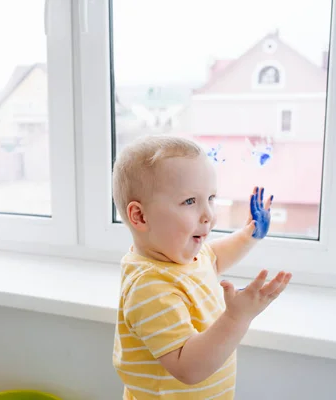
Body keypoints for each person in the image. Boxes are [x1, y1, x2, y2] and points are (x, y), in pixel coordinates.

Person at [112, 135, 292, 399]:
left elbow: (214, 258)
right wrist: (236, 318)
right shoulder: (151, 289)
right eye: (189, 201)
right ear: (140, 216)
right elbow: (189, 369)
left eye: (211, 198)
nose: (209, 214)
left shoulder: (180, 257)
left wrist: (249, 235)